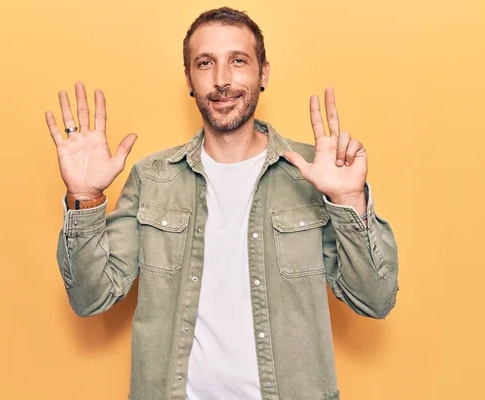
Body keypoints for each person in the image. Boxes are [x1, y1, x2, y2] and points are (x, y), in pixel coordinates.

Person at [45, 7, 399, 400]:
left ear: (263, 73)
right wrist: (84, 198)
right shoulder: (152, 178)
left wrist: (348, 199)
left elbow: (375, 300)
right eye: (205, 63)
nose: (222, 81)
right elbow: (89, 298)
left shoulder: (316, 174)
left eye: (238, 61)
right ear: (189, 79)